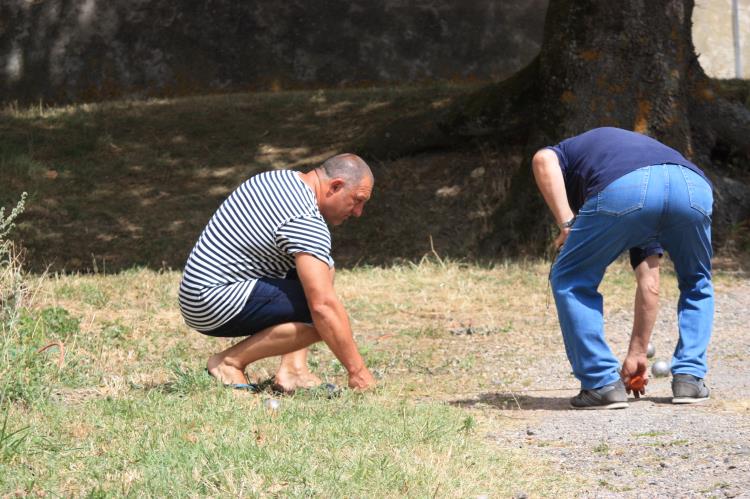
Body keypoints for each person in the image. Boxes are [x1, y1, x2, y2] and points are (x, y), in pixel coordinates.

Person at [532, 127, 713, 409]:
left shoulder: (567, 153)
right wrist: (637, 352)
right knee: (697, 281)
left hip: (625, 187)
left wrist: (567, 222)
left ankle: (600, 382)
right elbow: (649, 283)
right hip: (692, 186)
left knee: (570, 276)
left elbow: (543, 159)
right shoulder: (622, 154)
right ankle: (689, 379)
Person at [179, 153, 377, 392]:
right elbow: (322, 305)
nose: (358, 212)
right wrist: (358, 373)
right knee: (323, 315)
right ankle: (229, 363)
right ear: (335, 186)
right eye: (357, 200)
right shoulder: (305, 219)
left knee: (324, 271)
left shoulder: (279, 178)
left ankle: (294, 370)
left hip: (195, 294)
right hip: (214, 302)